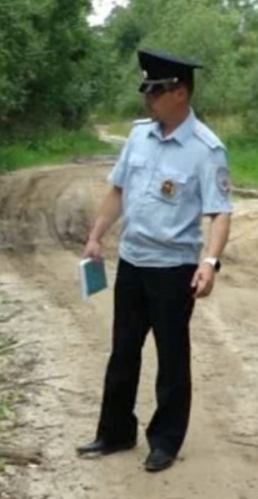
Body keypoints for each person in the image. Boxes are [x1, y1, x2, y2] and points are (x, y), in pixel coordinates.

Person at [76, 48, 234, 473]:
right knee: (123, 350)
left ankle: (164, 441)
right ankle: (114, 432)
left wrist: (210, 262)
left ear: (180, 93)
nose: (148, 97)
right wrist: (96, 237)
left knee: (171, 357)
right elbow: (118, 192)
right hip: (133, 261)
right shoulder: (139, 136)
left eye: (156, 90)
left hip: (173, 269)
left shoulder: (206, 149)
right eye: (146, 89)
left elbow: (220, 211)